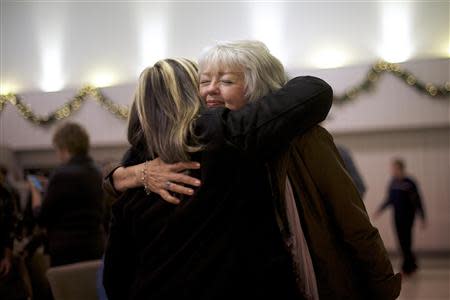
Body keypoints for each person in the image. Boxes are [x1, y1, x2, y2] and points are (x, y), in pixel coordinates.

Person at [104, 41, 401, 300]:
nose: (210, 92)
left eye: (226, 81)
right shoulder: (219, 139)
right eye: (203, 81)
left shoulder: (135, 165)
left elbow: (115, 273)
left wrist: (123, 176)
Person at [29, 122, 105, 267]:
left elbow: (41, 217)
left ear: (64, 148)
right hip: (95, 247)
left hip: (68, 252)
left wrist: (35, 191)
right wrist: (50, 184)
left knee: (67, 290)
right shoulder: (97, 172)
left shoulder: (61, 174)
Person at [375, 158, 426, 276]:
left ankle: (407, 267)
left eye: (394, 168)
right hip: (397, 217)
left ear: (400, 168)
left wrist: (422, 217)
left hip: (408, 217)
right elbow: (390, 199)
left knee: (406, 242)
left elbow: (418, 200)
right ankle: (412, 264)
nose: (392, 171)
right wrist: (380, 210)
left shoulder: (409, 183)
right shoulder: (393, 183)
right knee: (401, 242)